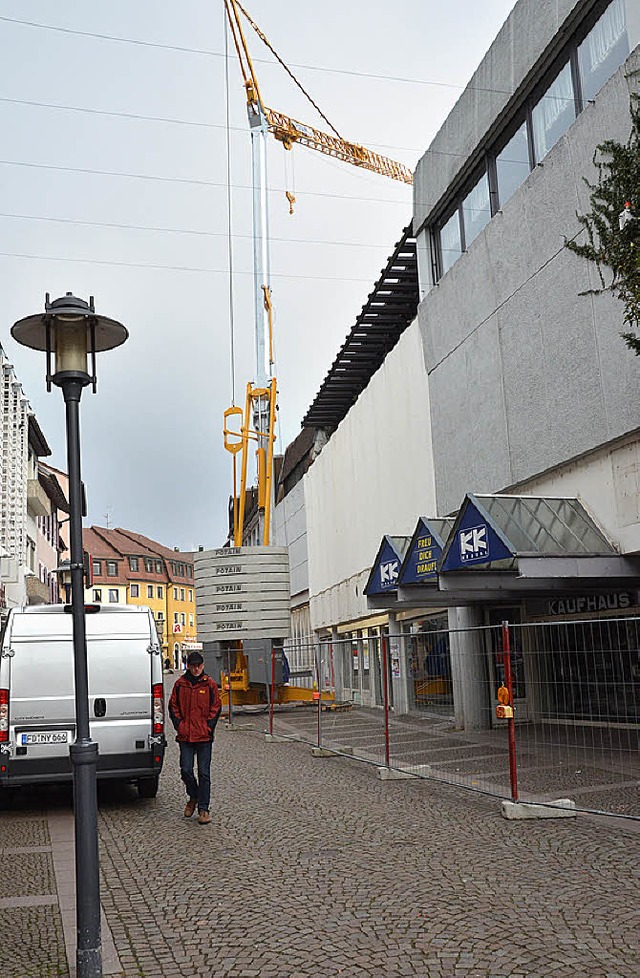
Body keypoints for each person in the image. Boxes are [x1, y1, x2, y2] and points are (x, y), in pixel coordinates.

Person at [168, 650, 222, 826]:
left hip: (204, 736)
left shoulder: (210, 685)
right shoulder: (180, 684)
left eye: (199, 666)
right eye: (193, 666)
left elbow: (216, 707)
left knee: (204, 773)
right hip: (186, 736)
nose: (196, 668)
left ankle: (204, 809)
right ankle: (194, 796)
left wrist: (208, 727)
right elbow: (173, 706)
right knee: (186, 770)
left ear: (203, 666)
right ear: (188, 666)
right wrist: (180, 725)